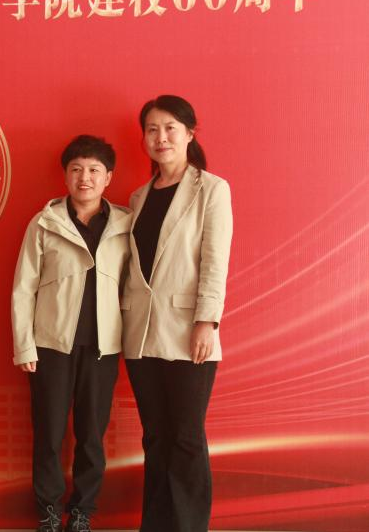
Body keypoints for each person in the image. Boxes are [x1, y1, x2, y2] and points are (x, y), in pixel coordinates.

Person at [121, 95, 234, 532]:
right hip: (141, 333)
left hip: (189, 331)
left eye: (170, 128)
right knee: (155, 437)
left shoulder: (212, 189)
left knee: (186, 437)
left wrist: (207, 321)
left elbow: (214, 260)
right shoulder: (137, 197)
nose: (161, 137)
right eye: (152, 129)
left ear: (189, 133)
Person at [12, 135, 133, 532]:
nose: (85, 178)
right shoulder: (44, 223)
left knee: (92, 435)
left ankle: (82, 511)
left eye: (95, 170)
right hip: (51, 345)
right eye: (77, 169)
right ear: (65, 175)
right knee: (48, 433)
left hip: (103, 347)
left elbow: (135, 286)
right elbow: (23, 288)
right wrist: (24, 345)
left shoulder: (125, 225)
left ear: (108, 177)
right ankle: (48, 511)